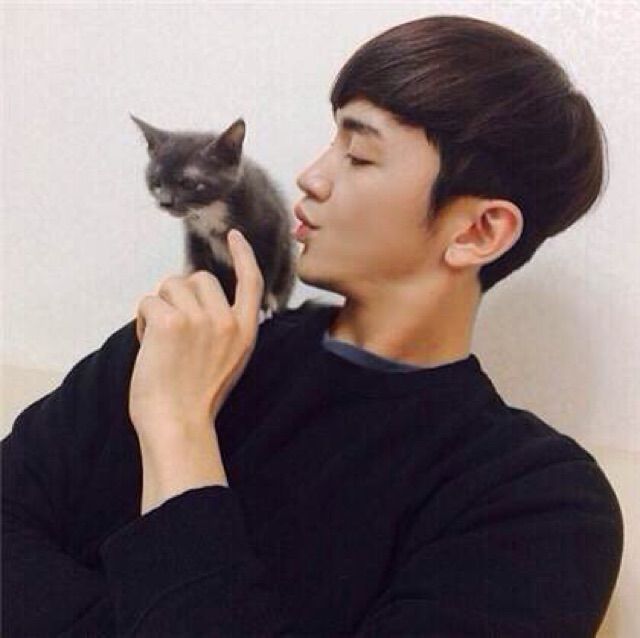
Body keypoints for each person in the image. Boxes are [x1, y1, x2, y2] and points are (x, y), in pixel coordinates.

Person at [2, 14, 623, 637]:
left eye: (359, 154)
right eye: (333, 140)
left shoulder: (539, 502)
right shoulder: (186, 340)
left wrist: (177, 429)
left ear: (478, 231)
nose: (311, 175)